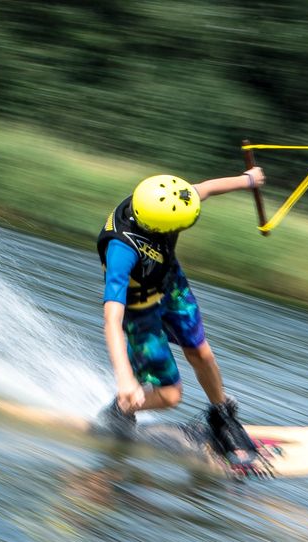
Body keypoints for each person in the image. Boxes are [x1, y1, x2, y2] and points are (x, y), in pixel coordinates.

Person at [95, 169, 267, 475]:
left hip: (171, 285)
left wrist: (249, 179)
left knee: (201, 352)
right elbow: (111, 320)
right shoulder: (121, 250)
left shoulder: (165, 199)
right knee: (170, 395)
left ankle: (221, 417)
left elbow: (207, 188)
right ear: (158, 224)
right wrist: (125, 379)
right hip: (140, 311)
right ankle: (120, 410)